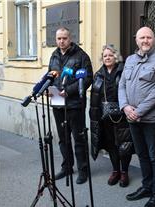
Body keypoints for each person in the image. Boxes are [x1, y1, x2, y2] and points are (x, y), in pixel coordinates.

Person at [118, 26, 155, 207]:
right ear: (136, 40)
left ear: (153, 40)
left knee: (154, 157)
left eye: (149, 37)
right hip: (131, 117)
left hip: (150, 119)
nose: (145, 41)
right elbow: (122, 84)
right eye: (142, 37)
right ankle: (146, 187)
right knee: (141, 155)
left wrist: (138, 111)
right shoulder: (130, 60)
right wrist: (125, 106)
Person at [48, 27, 93, 184]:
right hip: (57, 103)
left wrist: (68, 91)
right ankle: (67, 166)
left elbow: (87, 79)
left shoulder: (81, 56)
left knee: (78, 138)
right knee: (63, 139)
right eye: (59, 38)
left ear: (70, 38)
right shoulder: (54, 56)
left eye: (64, 38)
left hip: (74, 104)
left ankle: (83, 170)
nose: (61, 41)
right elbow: (51, 76)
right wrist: (49, 89)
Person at [89, 45, 134, 187]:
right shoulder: (98, 74)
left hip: (122, 114)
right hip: (105, 116)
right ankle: (116, 171)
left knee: (124, 145)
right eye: (105, 56)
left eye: (110, 55)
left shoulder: (124, 71)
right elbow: (94, 97)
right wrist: (94, 115)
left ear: (116, 56)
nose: (107, 58)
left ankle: (125, 172)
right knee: (111, 145)